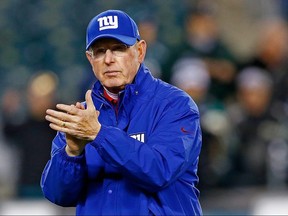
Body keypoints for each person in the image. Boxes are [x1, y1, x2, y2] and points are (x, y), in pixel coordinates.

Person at [41, 9, 203, 215]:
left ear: (140, 51)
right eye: (99, 51)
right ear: (90, 59)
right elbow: (58, 195)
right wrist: (72, 153)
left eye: (119, 48)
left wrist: (99, 135)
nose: (108, 59)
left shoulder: (175, 105)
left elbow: (159, 170)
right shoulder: (81, 117)